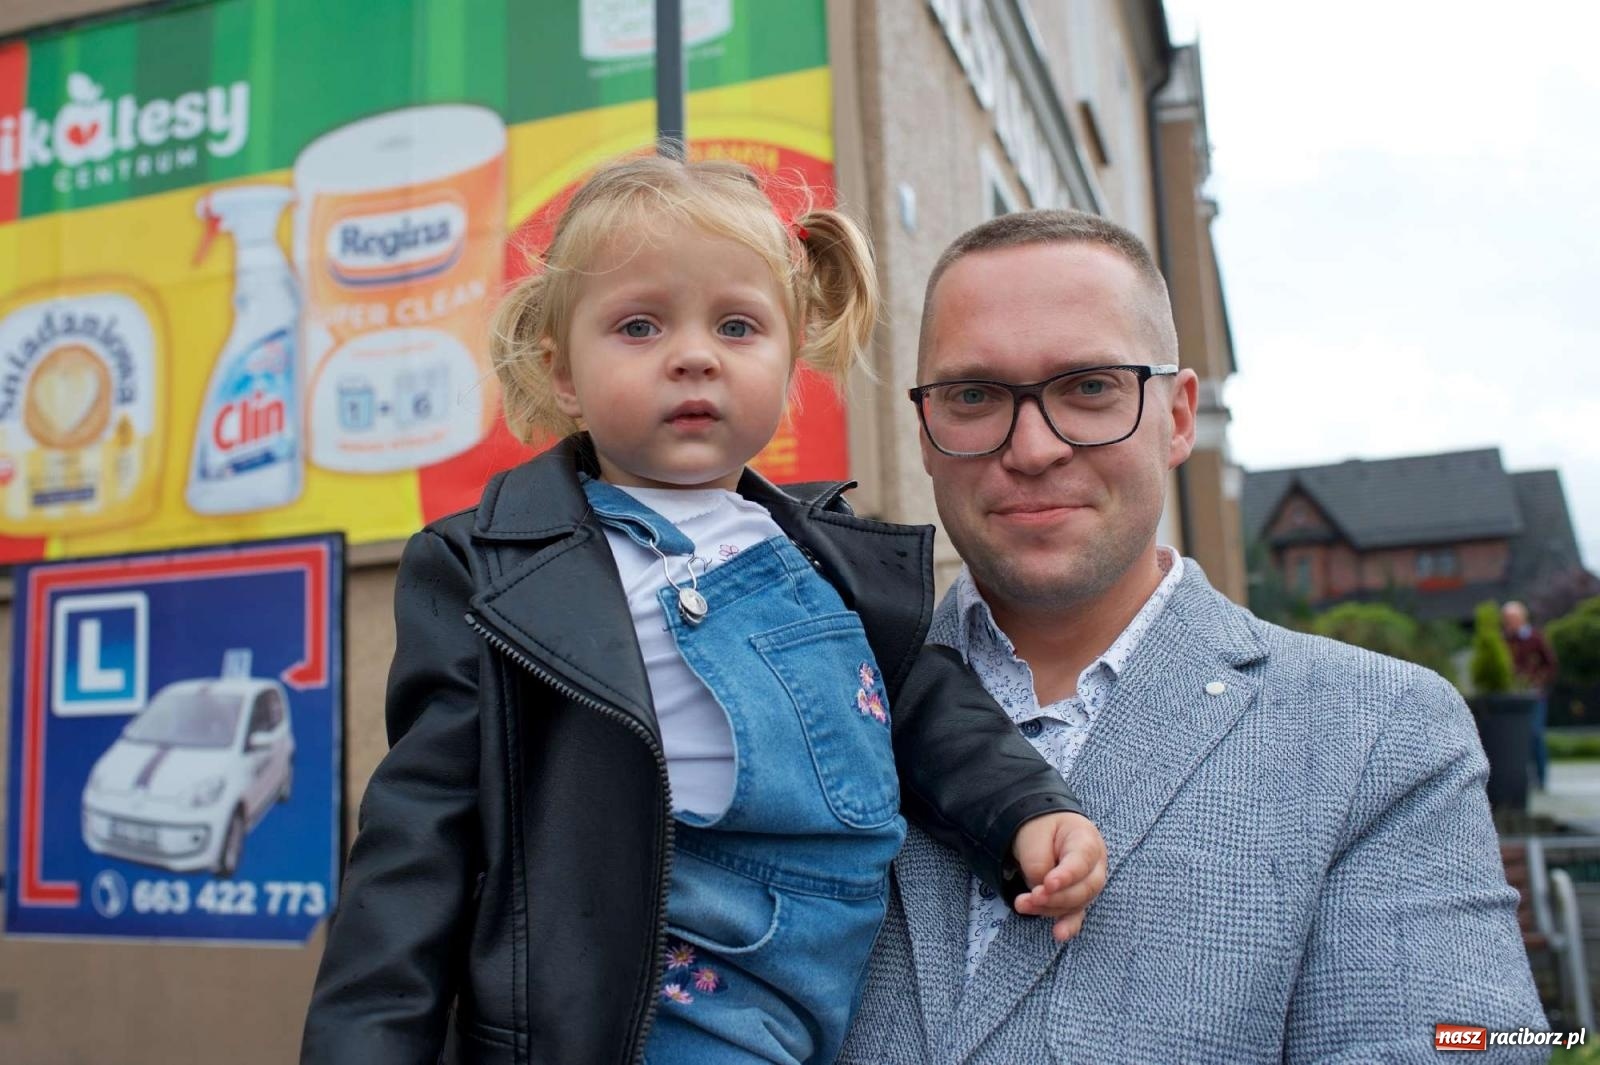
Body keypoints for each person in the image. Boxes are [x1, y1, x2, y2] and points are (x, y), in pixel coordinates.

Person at [300, 158, 1109, 1065]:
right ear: (561, 372)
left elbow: (928, 704)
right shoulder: (491, 569)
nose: (694, 354)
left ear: (790, 358)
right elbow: (416, 845)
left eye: (737, 325)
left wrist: (1029, 812)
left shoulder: (825, 555)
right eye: (639, 325)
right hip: (650, 991)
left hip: (827, 991)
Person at [840, 209, 1547, 1063]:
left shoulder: (1379, 735)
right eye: (974, 396)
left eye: (1089, 386)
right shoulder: (821, 689)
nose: (1030, 447)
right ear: (924, 431)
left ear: (1178, 417)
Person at [1503, 599, 1558, 791]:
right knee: (1515, 739)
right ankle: (1521, 781)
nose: (1508, 623)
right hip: (1512, 696)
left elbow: (1550, 664)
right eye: (1506, 620)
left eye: (1511, 619)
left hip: (1534, 696)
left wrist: (1539, 681)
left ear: (1521, 618)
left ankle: (1541, 780)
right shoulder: (1505, 640)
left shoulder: (1535, 638)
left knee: (1535, 735)